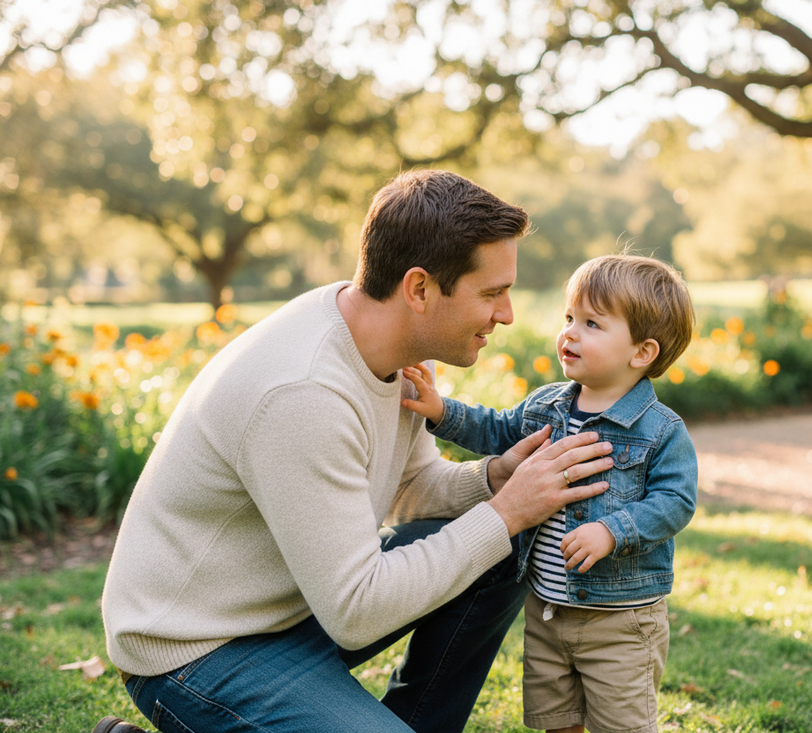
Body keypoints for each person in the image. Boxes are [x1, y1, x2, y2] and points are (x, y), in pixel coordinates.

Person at [97, 170, 617, 733]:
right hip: (197, 648)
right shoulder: (304, 392)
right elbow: (357, 612)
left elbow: (409, 489)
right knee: (501, 528)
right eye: (491, 293)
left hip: (298, 606)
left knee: (507, 544)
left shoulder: (396, 343)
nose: (507, 313)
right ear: (419, 289)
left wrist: (497, 479)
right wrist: (505, 511)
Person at [401, 254, 698, 733]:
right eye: (569, 318)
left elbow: (675, 502)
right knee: (556, 720)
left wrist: (612, 531)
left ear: (642, 352)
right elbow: (496, 429)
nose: (570, 333)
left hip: (620, 622)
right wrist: (440, 410)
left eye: (592, 324)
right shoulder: (547, 406)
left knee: (621, 724)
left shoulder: (660, 430)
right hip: (547, 610)